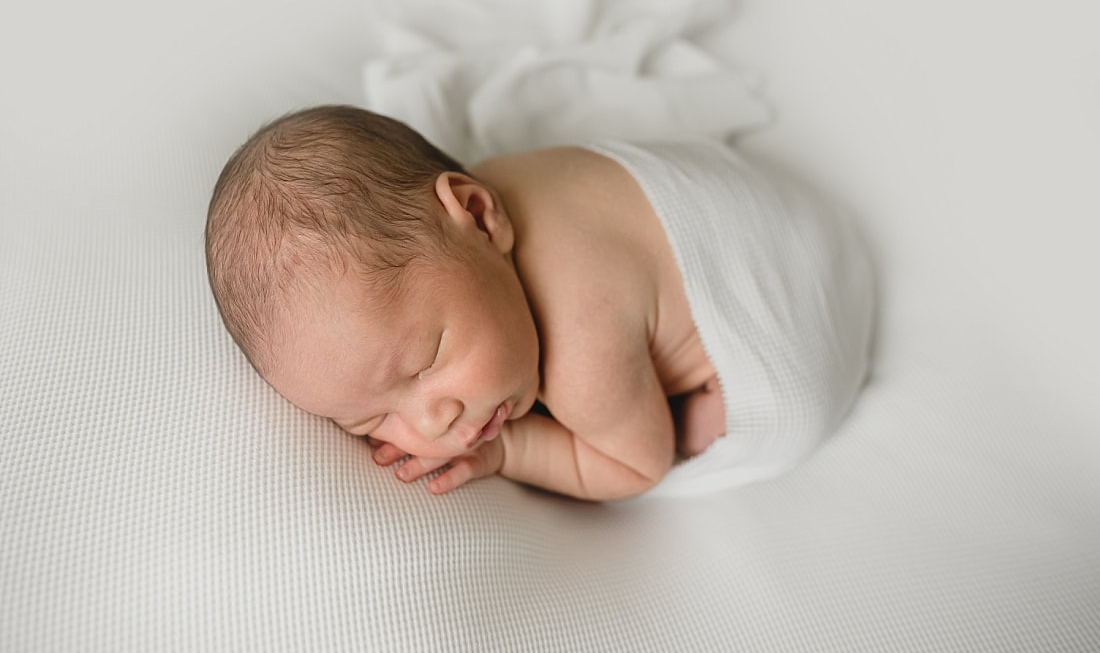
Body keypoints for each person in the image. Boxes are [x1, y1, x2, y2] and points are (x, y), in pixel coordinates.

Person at [205, 105, 874, 501]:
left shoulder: (583, 350)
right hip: (775, 203)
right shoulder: (489, 195)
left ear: (476, 208)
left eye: (429, 358)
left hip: (802, 305)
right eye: (370, 421)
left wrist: (509, 455)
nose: (432, 421)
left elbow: (636, 466)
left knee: (759, 418)